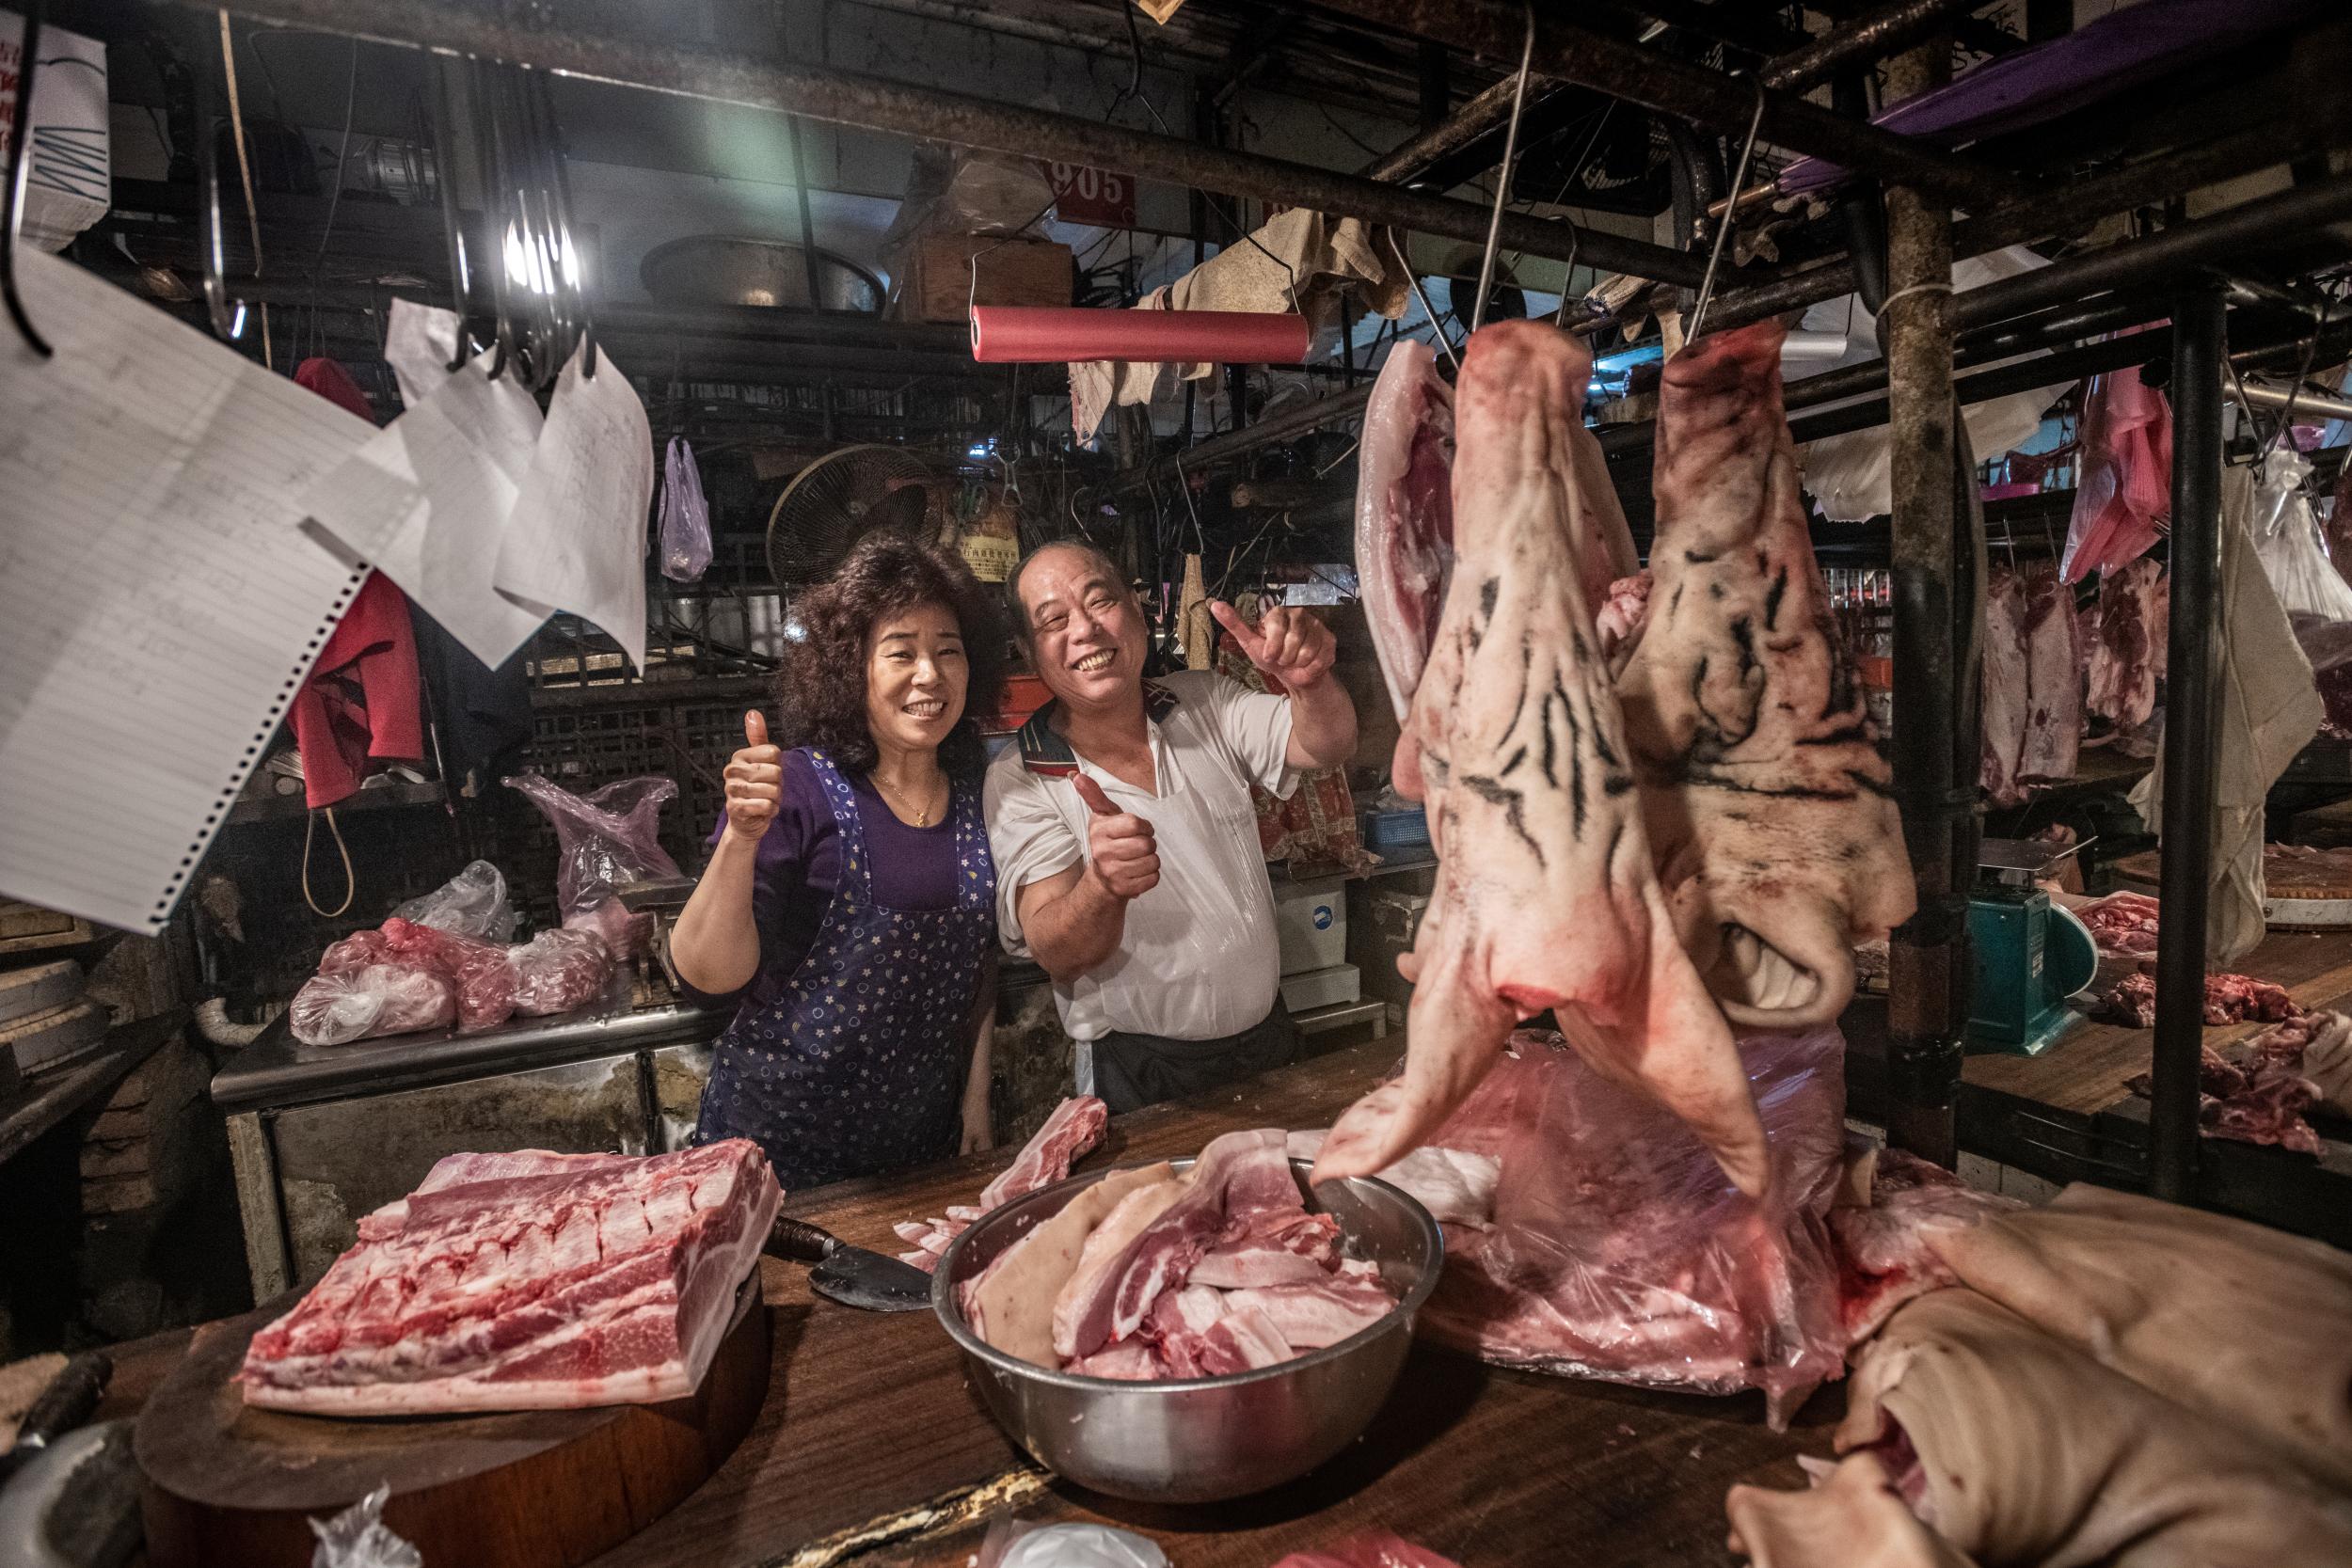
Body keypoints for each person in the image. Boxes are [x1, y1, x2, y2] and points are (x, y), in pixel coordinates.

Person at [671, 534, 1007, 1188]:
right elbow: (707, 977)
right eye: (901, 652)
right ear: (853, 666)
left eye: (948, 651)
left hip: (919, 1157)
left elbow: (979, 960)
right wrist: (742, 835)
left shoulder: (980, 790)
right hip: (776, 1161)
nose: (929, 675)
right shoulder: (796, 788)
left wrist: (975, 1094)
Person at [985, 541, 1359, 1114]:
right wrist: (1101, 888)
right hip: (1140, 1070)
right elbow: (1053, 946)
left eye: (1100, 601)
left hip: (1268, 1040)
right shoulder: (1022, 774)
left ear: (1139, 614)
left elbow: (1324, 743)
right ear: (1029, 654)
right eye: (1054, 621)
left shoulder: (1204, 701)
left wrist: (1311, 684)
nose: (1084, 630)